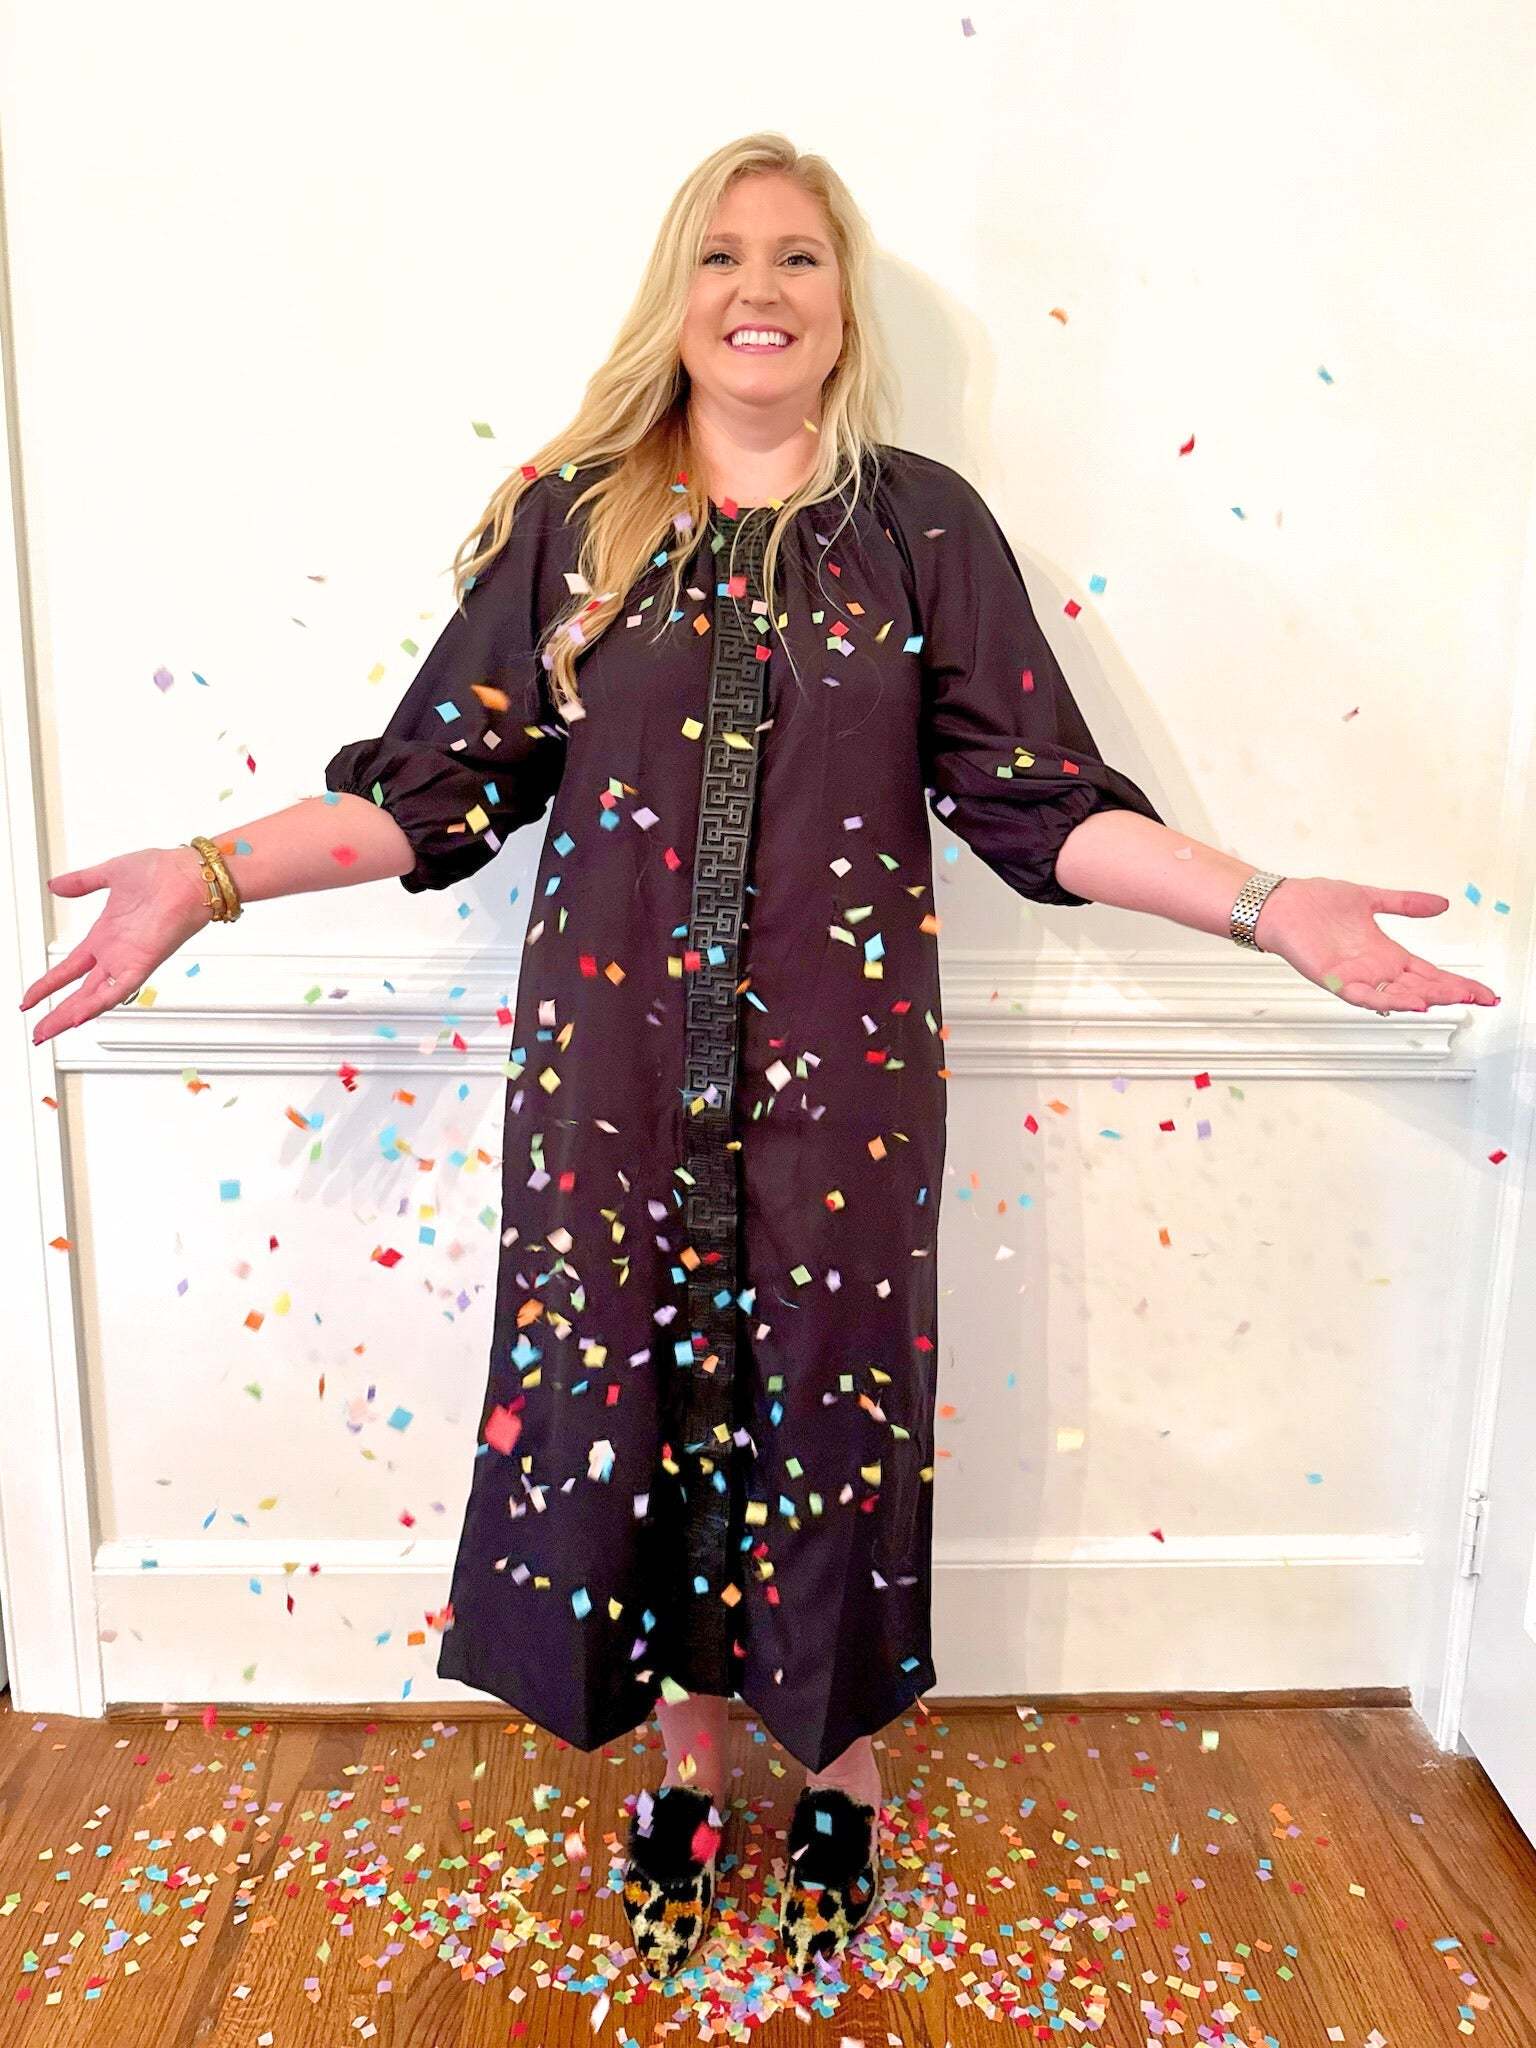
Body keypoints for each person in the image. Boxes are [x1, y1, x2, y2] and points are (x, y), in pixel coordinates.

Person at [19, 131, 1499, 1979]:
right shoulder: (575, 519)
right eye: (724, 256)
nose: (760, 290)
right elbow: (439, 792)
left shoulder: (920, 525)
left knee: (833, 1412)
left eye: (800, 258)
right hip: (614, 1083)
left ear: (842, 301)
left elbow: (1037, 804)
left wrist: (1272, 905)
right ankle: (689, 1778)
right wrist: (210, 874)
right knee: (631, 1416)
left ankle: (848, 1788)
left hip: (843, 1095)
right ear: (678, 292)